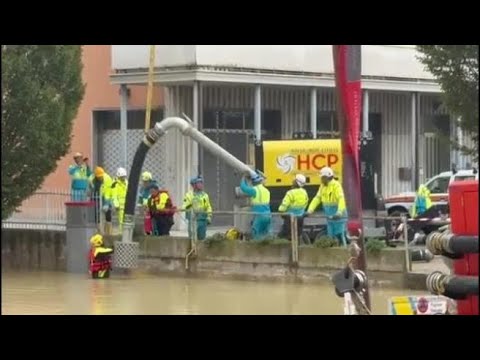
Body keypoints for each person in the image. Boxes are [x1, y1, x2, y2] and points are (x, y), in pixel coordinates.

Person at [306, 167, 347, 246]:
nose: (321, 179)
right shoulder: (322, 186)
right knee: (330, 235)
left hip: (338, 215)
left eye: (322, 177)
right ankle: (332, 252)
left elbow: (341, 199)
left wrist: (339, 212)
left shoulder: (336, 185)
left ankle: (344, 252)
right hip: (329, 214)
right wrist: (310, 210)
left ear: (327, 177)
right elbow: (317, 198)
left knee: (340, 235)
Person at [240, 173, 271, 240]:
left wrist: (243, 178)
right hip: (268, 215)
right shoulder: (267, 191)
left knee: (256, 234)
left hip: (259, 216)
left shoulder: (255, 190)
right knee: (265, 235)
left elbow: (243, 188)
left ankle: (257, 248)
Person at [278, 174, 309, 241]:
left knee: (285, 236)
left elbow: (284, 205)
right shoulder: (304, 192)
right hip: (300, 218)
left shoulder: (290, 193)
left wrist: (281, 211)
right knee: (298, 235)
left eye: (294, 180)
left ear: (296, 182)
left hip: (290, 218)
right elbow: (306, 202)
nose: (292, 181)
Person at [182, 176, 212, 241]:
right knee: (192, 239)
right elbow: (184, 206)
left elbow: (208, 207)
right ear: (194, 185)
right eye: (199, 183)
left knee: (202, 239)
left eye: (201, 183)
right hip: (193, 219)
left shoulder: (205, 195)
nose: (201, 185)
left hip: (203, 219)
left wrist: (209, 216)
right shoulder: (189, 195)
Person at [89, 167, 114, 235]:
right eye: (98, 177)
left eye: (101, 176)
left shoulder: (107, 179)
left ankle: (108, 233)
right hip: (96, 196)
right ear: (96, 176)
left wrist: (107, 203)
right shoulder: (91, 178)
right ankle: (98, 231)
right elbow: (90, 189)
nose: (100, 178)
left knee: (108, 213)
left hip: (105, 196)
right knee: (95, 214)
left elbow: (108, 192)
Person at [111, 167, 128, 232]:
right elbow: (114, 195)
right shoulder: (115, 184)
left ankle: (126, 233)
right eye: (122, 177)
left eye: (124, 176)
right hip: (120, 206)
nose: (123, 178)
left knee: (127, 220)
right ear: (119, 176)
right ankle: (122, 233)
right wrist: (116, 205)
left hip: (127, 204)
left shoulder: (126, 182)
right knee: (121, 221)